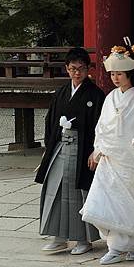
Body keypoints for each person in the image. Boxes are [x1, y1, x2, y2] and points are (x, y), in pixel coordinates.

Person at [80, 40, 134, 264]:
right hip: (112, 158)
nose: (115, 78)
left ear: (129, 74)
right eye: (113, 74)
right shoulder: (110, 98)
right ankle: (114, 247)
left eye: (120, 74)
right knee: (107, 201)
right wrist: (98, 150)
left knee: (129, 203)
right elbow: (101, 127)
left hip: (131, 160)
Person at [35, 47, 105, 255]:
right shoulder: (62, 93)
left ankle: (83, 239)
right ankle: (58, 237)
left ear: (87, 69)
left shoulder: (95, 94)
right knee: (54, 190)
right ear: (67, 69)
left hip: (82, 149)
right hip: (60, 146)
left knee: (79, 194)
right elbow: (50, 122)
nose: (77, 73)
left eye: (81, 69)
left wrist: (96, 151)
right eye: (73, 69)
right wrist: (49, 149)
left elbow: (100, 126)